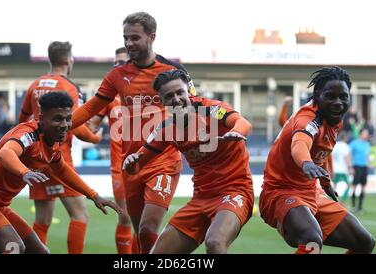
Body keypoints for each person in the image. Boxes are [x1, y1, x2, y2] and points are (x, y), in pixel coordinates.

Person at [71, 12, 196, 253]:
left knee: (149, 228)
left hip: (163, 161)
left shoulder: (173, 70)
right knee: (140, 235)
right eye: (125, 38)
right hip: (132, 164)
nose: (129, 43)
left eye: (135, 38)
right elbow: (89, 110)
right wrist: (58, 125)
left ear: (152, 37)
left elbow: (195, 107)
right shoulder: (117, 76)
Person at [0, 92, 121, 254]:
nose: (64, 125)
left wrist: (93, 195)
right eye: (57, 119)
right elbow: (5, 153)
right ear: (41, 119)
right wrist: (25, 172)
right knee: (13, 246)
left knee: (40, 251)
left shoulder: (52, 142)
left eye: (68, 119)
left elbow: (61, 169)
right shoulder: (29, 134)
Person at [123, 70, 253, 254]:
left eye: (179, 93)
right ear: (162, 102)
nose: (176, 99)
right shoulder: (167, 128)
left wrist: (237, 132)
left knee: (215, 242)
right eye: (169, 96)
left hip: (234, 191)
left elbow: (243, 122)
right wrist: (131, 162)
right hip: (201, 199)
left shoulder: (212, 110)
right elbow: (137, 164)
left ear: (188, 91)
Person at [259, 66, 375, 254]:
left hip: (312, 192)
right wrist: (306, 163)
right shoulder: (309, 119)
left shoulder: (334, 119)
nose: (338, 102)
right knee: (311, 239)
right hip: (280, 193)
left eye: (343, 97)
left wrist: (325, 181)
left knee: (365, 243)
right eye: (331, 96)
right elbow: (300, 144)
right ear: (317, 95)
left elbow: (323, 149)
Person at [18, 41, 102, 254]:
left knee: (43, 220)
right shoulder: (69, 87)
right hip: (58, 158)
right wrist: (94, 138)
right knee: (80, 214)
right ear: (68, 60)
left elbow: (22, 120)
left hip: (36, 159)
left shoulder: (35, 85)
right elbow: (74, 124)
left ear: (50, 59)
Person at [88, 47, 134, 254]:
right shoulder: (110, 95)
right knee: (124, 216)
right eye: (115, 63)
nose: (117, 66)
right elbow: (92, 125)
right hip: (119, 167)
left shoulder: (147, 92)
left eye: (121, 62)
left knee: (146, 221)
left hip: (147, 163)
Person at [349, 128, 372, 213]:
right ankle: (354, 206)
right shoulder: (353, 143)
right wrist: (351, 167)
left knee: (363, 187)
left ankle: (360, 207)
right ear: (360, 134)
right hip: (356, 166)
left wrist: (370, 163)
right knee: (354, 186)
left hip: (364, 167)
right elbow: (350, 155)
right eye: (365, 133)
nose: (366, 135)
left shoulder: (367, 144)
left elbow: (368, 155)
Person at [332, 132, 353, 203]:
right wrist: (350, 168)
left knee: (334, 186)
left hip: (334, 169)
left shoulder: (334, 145)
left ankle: (333, 201)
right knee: (349, 185)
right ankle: (342, 201)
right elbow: (347, 158)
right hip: (343, 170)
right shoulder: (346, 146)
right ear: (345, 138)